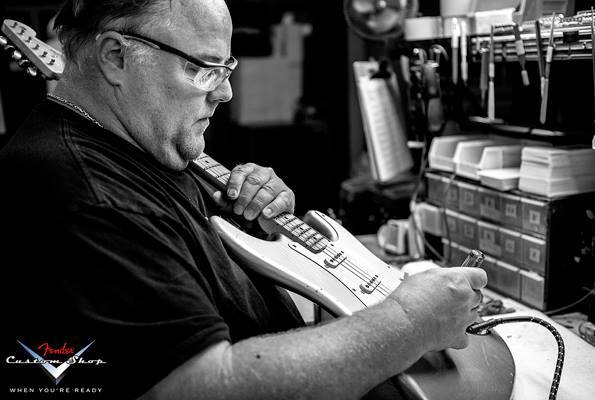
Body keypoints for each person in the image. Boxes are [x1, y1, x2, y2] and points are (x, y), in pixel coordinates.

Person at [0, 0, 487, 399]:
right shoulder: (88, 194)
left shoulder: (138, 145)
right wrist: (408, 321)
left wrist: (255, 229)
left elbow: (189, 268)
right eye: (204, 68)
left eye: (226, 67)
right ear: (116, 56)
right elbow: (200, 386)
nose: (227, 92)